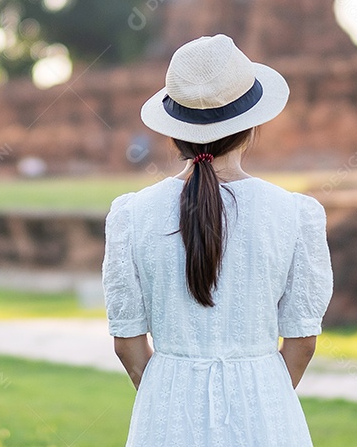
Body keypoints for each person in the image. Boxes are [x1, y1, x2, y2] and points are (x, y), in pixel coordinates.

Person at [103, 34, 333, 445]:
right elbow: (302, 340)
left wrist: (170, 399)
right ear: (251, 127)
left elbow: (127, 344)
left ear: (174, 133)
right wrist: (262, 397)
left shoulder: (132, 215)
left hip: (166, 415)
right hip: (265, 409)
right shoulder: (294, 214)